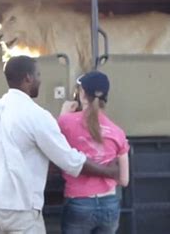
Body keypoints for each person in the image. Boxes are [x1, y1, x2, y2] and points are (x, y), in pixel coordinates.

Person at [0, 56, 119, 234]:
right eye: (38, 74)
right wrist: (110, 172)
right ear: (28, 78)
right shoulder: (36, 115)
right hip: (18, 204)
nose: (40, 79)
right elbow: (68, 159)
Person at [58, 71, 130, 234]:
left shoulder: (66, 122)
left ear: (82, 94)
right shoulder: (118, 132)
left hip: (79, 203)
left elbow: (55, 144)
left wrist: (63, 113)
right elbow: (124, 180)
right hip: (109, 203)